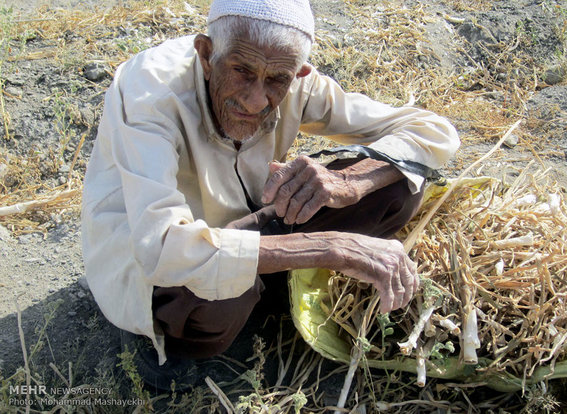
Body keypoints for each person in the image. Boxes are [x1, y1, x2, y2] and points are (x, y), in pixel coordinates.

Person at [81, 0, 459, 388]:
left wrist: (351, 183)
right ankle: (162, 335)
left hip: (247, 227)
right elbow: (163, 247)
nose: (255, 100)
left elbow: (432, 132)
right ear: (207, 54)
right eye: (242, 72)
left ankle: (267, 280)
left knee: (397, 183)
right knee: (219, 299)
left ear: (299, 75)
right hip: (161, 258)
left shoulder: (296, 81)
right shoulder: (151, 94)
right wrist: (332, 248)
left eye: (277, 80)